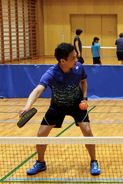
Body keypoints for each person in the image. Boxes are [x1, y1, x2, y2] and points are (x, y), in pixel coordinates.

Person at [19, 43, 100, 176]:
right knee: (41, 135)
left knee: (87, 130)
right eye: (73, 58)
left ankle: (93, 161)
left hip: (77, 105)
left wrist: (84, 98)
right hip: (57, 106)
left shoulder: (79, 68)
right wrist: (27, 106)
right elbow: (38, 89)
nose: (77, 59)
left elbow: (83, 82)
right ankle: (40, 163)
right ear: (63, 61)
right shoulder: (51, 73)